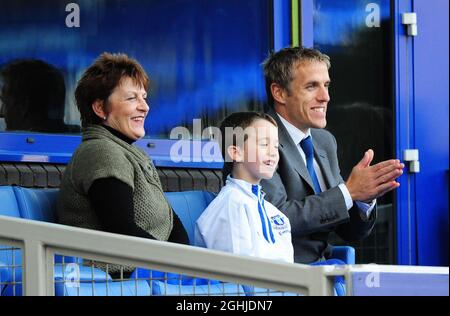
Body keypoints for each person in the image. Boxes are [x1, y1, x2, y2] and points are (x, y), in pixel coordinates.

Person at [260, 46, 404, 264]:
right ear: (279, 93)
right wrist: (348, 192)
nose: (325, 97)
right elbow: (277, 219)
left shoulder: (324, 141)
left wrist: (363, 199)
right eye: (311, 87)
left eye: (326, 85)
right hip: (281, 277)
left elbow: (350, 232)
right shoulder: (256, 139)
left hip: (325, 273)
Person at [57, 53, 189, 277]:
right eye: (132, 98)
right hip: (117, 281)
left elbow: (170, 221)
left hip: (152, 274)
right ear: (100, 108)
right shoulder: (101, 151)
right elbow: (122, 230)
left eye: (144, 97)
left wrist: (187, 264)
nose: (145, 107)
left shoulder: (128, 153)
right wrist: (179, 264)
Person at [195, 112, 294, 263]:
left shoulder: (275, 214)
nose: (274, 152)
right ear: (236, 153)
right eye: (264, 144)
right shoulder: (231, 206)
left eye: (276, 145)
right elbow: (238, 276)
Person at [0, 59, 80, 133]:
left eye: (5, 102)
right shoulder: (81, 139)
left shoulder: (18, 145)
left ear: (23, 105)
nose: (2, 112)